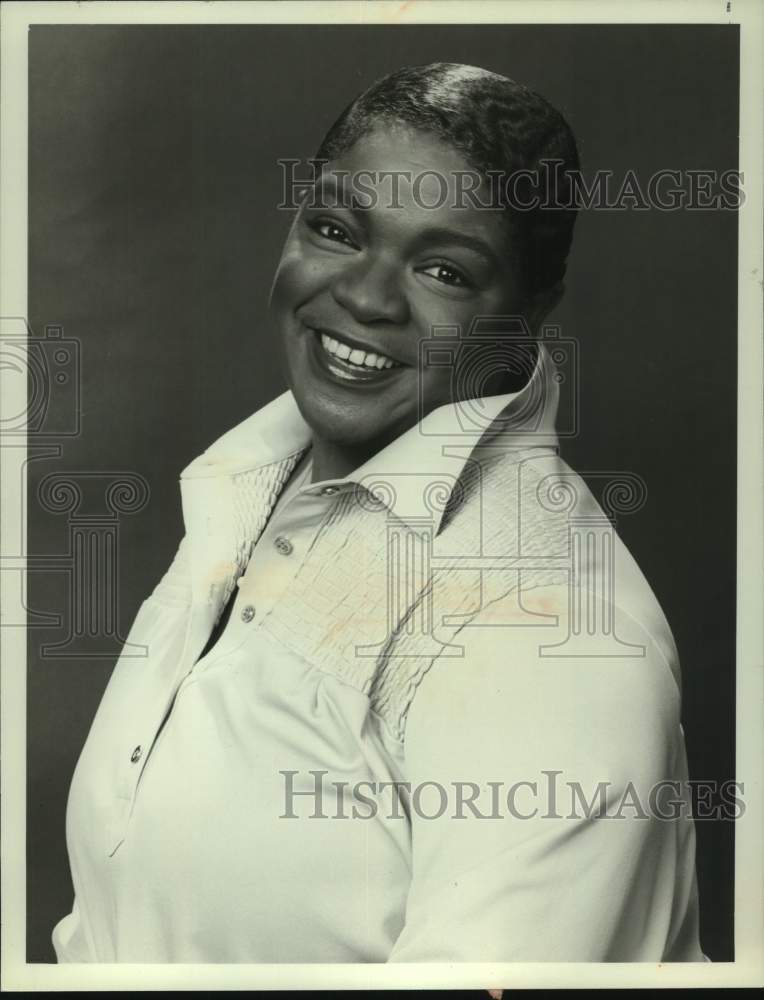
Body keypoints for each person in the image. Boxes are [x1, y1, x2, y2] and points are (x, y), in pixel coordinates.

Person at [52, 63, 705, 963]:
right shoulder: (249, 488)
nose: (363, 296)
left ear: (528, 316)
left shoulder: (552, 637)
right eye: (335, 229)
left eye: (443, 269)